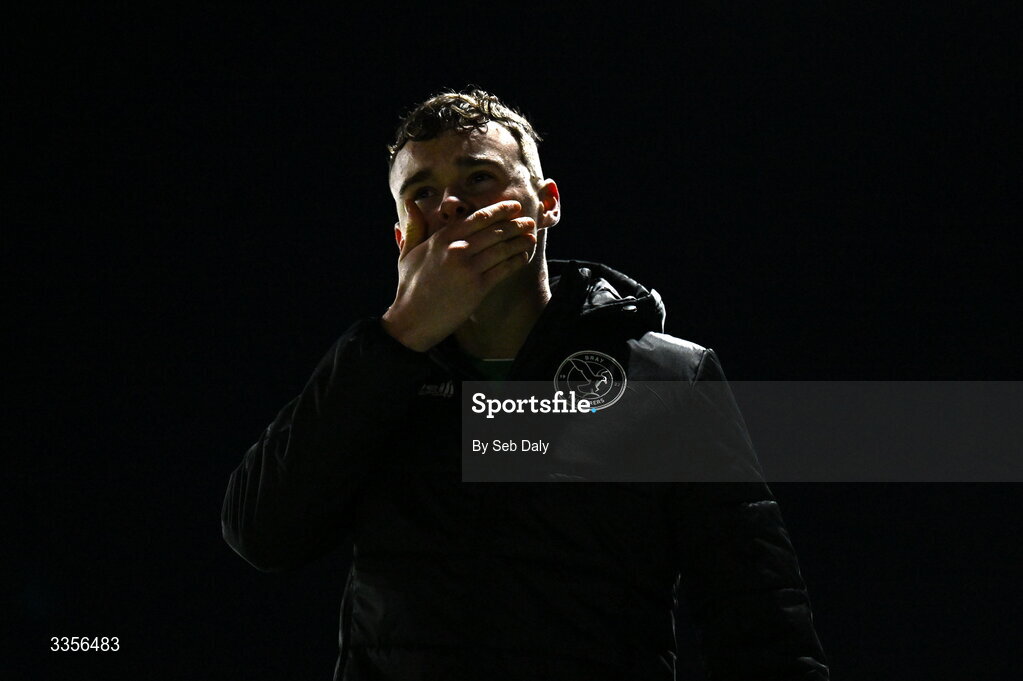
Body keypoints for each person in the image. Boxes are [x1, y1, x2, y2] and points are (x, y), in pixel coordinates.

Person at [221, 88, 829, 680]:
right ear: (403, 237)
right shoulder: (374, 376)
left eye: (479, 177)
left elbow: (759, 618)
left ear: (547, 202)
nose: (452, 206)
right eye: (422, 192)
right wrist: (402, 331)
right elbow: (262, 535)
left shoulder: (668, 377)